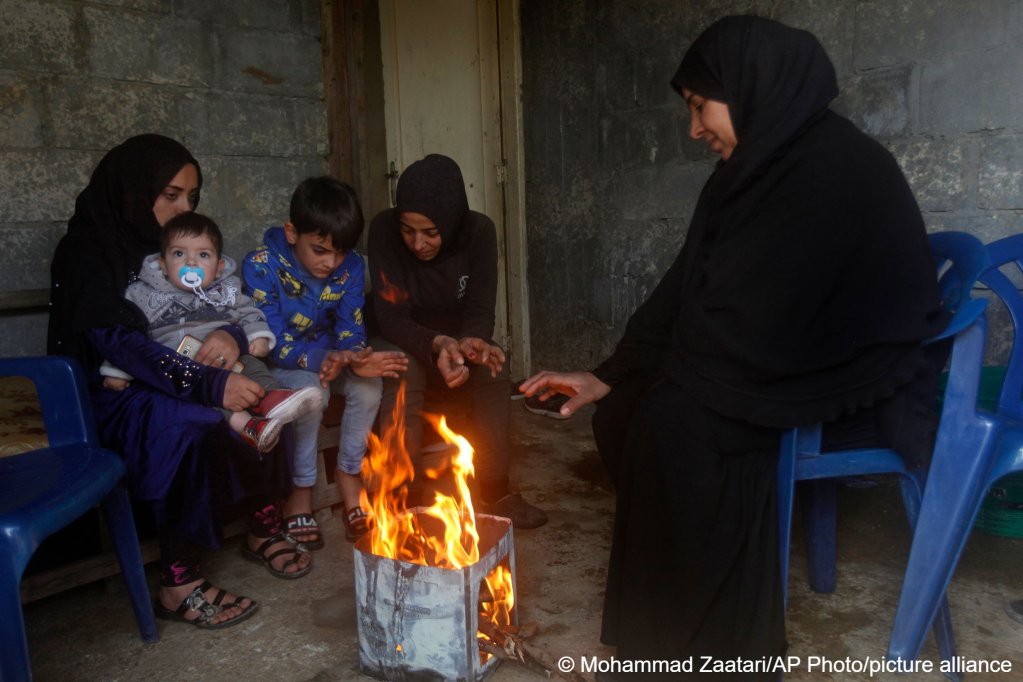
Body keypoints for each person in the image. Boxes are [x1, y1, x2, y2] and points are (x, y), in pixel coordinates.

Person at [520, 16, 946, 677]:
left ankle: (723, 652)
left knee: (675, 422)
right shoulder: (749, 169)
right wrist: (609, 374)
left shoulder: (835, 168)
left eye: (698, 106)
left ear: (752, 87)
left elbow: (784, 316)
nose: (693, 129)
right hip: (769, 354)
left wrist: (675, 378)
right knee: (626, 410)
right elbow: (686, 289)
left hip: (847, 375)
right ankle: (661, 637)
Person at [48, 134, 313, 631]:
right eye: (170, 194)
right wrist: (211, 387)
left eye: (190, 197)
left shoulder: (176, 247)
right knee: (189, 420)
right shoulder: (87, 252)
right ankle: (178, 581)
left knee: (268, 394)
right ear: (133, 190)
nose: (181, 209)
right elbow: (120, 347)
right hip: (109, 391)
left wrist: (232, 336)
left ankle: (261, 523)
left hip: (177, 372)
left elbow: (223, 303)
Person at [368, 154, 547, 529]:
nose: (418, 244)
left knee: (495, 369)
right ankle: (403, 499)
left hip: (456, 340)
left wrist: (472, 343)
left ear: (450, 221)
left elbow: (481, 306)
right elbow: (391, 317)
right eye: (409, 231)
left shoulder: (478, 232)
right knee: (404, 373)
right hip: (403, 337)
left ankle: (497, 489)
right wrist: (437, 344)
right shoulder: (383, 230)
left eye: (431, 232)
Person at [243, 176, 408, 546]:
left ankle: (349, 472)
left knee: (369, 386)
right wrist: (326, 359)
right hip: (283, 365)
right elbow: (269, 342)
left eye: (339, 252)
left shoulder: (349, 267)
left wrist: (355, 356)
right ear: (291, 232)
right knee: (311, 394)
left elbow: (351, 324)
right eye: (319, 250)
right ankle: (301, 488)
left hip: (332, 358)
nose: (330, 263)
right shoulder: (261, 266)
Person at [100, 212, 323, 452]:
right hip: (183, 366)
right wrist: (117, 371)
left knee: (253, 365)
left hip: (228, 358)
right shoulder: (145, 294)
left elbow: (248, 311)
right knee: (209, 397)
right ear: (162, 264)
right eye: (179, 254)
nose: (191, 263)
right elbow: (129, 337)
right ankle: (251, 428)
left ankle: (273, 398)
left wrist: (257, 335)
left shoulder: (226, 289)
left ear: (218, 267)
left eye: (203, 255)